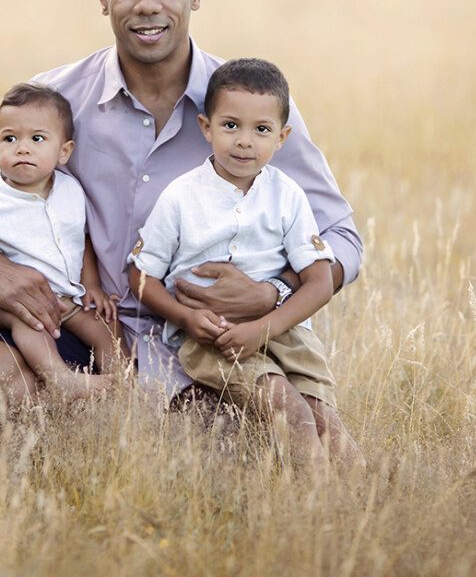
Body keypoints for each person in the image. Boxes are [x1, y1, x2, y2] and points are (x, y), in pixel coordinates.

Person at [0, 0, 362, 426]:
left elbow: (342, 236)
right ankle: (87, 432)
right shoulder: (52, 101)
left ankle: (149, 430)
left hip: (208, 345)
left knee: (286, 441)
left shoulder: (249, 110)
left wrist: (273, 293)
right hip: (75, 333)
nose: (147, 4)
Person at [129, 58, 360, 471]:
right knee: (294, 416)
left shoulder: (287, 195)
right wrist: (184, 318)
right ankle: (315, 516)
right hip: (212, 339)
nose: (244, 142)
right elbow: (141, 275)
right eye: (230, 126)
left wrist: (262, 328)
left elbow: (320, 280)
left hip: (285, 332)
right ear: (206, 128)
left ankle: (357, 512)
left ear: (283, 137)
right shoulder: (181, 196)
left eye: (262, 130)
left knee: (331, 430)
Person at [0, 83, 121, 398]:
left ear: (64, 151)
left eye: (37, 139)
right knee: (32, 327)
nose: (22, 148)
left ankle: (121, 385)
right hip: (14, 303)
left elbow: (82, 240)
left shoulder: (70, 190)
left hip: (66, 297)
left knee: (104, 329)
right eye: (10, 139)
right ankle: (60, 378)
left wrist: (91, 286)